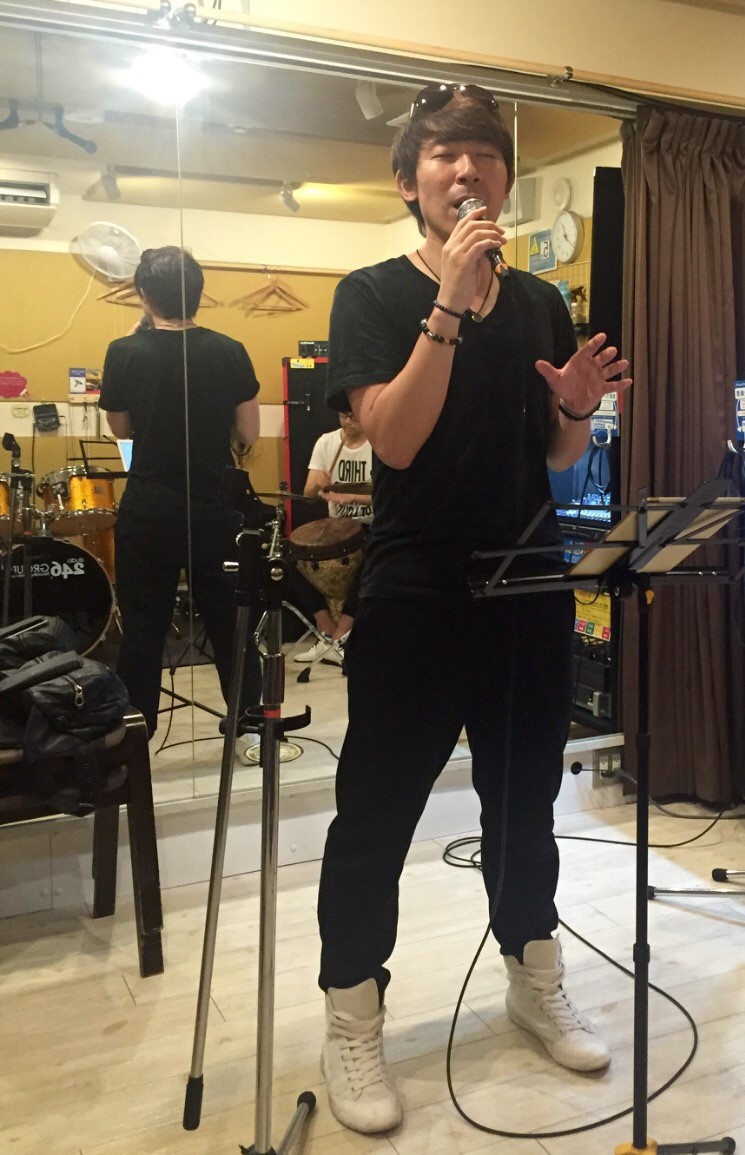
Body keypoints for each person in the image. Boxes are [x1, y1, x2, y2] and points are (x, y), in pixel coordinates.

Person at [316, 84, 632, 1134]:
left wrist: (577, 410)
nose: (466, 169)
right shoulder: (369, 295)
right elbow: (396, 441)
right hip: (415, 591)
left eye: (484, 154)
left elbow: (557, 455)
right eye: (443, 154)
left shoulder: (539, 301)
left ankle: (533, 977)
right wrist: (447, 303)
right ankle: (352, 1015)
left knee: (523, 804)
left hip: (528, 584)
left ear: (504, 176)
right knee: (376, 815)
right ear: (409, 181)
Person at [99, 246, 262, 737]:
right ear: (199, 292)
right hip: (215, 506)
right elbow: (249, 434)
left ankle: (137, 736)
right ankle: (248, 724)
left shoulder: (123, 351)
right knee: (230, 624)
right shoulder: (230, 350)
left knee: (143, 628)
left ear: (144, 295)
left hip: (149, 507)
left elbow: (122, 431)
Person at [291, 411, 373, 665]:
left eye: (353, 416)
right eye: (343, 416)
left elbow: (390, 494)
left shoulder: (379, 444)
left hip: (371, 525)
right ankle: (326, 632)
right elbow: (309, 494)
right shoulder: (326, 442)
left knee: (372, 559)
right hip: (337, 527)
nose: (348, 421)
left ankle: (341, 637)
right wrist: (318, 485)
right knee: (287, 558)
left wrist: (354, 497)